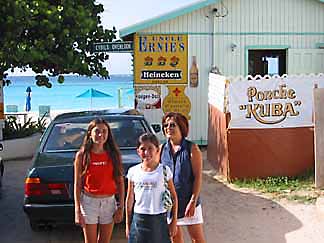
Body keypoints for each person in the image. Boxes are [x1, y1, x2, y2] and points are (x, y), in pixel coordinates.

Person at [74, 118, 124, 243]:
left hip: (109, 203)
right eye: (97, 131)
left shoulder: (114, 154)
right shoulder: (82, 155)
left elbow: (120, 182)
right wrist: (77, 210)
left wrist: (121, 207)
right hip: (89, 203)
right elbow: (78, 184)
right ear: (90, 133)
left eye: (104, 131)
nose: (101, 135)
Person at [160, 112, 206, 243]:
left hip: (188, 201)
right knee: (175, 237)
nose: (168, 127)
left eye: (172, 125)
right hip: (170, 204)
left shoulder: (192, 149)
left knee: (197, 238)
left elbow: (198, 177)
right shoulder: (161, 149)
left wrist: (193, 201)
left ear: (181, 127)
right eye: (165, 125)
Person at [125, 133, 178, 243]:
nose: (146, 153)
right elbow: (129, 199)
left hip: (159, 218)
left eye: (150, 148)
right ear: (138, 151)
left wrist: (173, 222)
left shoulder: (164, 171)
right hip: (139, 219)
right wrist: (127, 224)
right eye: (143, 149)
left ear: (157, 150)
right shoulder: (133, 171)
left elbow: (174, 197)